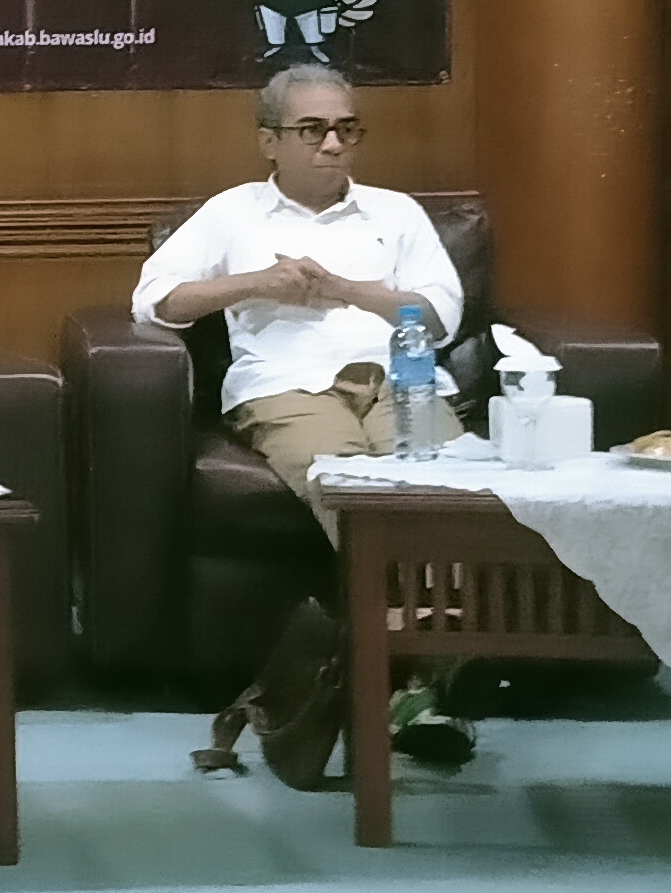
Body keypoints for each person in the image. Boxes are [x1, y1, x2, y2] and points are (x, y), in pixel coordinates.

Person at [129, 65, 463, 547]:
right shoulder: (232, 211)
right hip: (288, 387)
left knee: (447, 486)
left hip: (402, 383)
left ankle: (436, 593)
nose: (334, 144)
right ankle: (400, 593)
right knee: (348, 488)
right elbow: (154, 301)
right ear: (270, 142)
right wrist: (257, 283)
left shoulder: (396, 211)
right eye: (312, 130)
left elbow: (440, 318)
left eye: (346, 129)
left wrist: (344, 289)